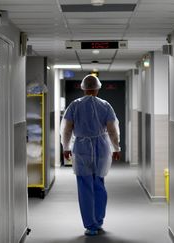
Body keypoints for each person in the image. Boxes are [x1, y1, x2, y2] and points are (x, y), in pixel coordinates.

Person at [60, 74, 121, 236]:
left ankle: (90, 225)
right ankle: (99, 220)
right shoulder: (105, 105)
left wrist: (66, 147)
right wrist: (116, 148)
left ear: (83, 88)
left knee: (84, 185)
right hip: (101, 147)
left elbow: (67, 129)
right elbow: (112, 130)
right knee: (99, 183)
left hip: (81, 149)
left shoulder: (74, 105)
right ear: (98, 89)